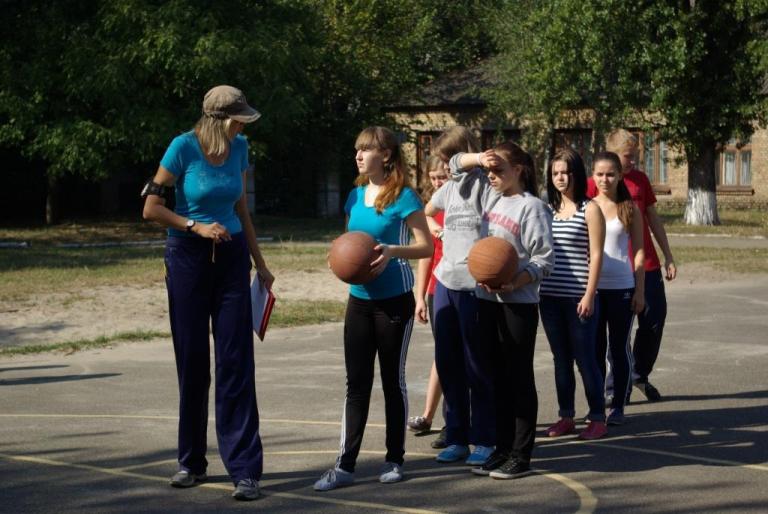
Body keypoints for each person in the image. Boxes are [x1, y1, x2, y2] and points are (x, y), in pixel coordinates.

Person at [142, 85, 273, 501]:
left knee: (236, 361)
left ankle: (245, 470)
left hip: (232, 257)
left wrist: (260, 263)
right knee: (193, 361)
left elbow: (241, 208)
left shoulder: (240, 148)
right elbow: (150, 208)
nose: (243, 126)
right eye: (239, 119)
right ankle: (191, 462)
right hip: (187, 259)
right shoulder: (182, 147)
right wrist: (194, 226)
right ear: (220, 119)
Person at [314, 126, 433, 491]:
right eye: (357, 149)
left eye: (366, 149)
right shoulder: (354, 196)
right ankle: (344, 466)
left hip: (394, 300)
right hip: (359, 301)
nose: (358, 155)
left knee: (392, 381)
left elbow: (426, 247)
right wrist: (339, 258)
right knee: (356, 384)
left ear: (386, 155)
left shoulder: (405, 197)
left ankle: (394, 459)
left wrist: (393, 251)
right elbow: (349, 242)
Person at [452, 142, 554, 479]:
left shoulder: (533, 207)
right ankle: (502, 447)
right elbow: (454, 166)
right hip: (486, 301)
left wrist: (515, 281)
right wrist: (479, 159)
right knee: (495, 377)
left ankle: (521, 455)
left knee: (518, 377)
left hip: (518, 305)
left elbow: (544, 260)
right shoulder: (489, 198)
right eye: (489, 171)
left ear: (519, 170)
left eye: (498, 170)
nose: (491, 176)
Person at [424, 126, 499, 467]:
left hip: (475, 287)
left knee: (477, 366)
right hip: (445, 282)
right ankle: (456, 436)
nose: (445, 166)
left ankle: (484, 439)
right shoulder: (450, 186)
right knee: (448, 363)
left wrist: (480, 159)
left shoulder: (486, 184)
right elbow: (427, 211)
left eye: (447, 157)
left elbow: (461, 163)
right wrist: (436, 230)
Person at [588, 130, 676, 403]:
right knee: (619, 334)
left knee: (654, 320)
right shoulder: (594, 184)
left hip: (646, 265)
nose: (634, 161)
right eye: (629, 156)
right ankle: (617, 388)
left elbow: (653, 218)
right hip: (615, 269)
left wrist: (668, 255)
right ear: (613, 155)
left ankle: (638, 373)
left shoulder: (640, 180)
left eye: (635, 155)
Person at [539, 149, 608, 440]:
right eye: (555, 173)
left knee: (585, 359)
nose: (560, 178)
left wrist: (589, 294)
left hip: (579, 298)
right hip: (549, 297)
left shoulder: (589, 209)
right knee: (561, 360)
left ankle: (598, 418)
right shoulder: (547, 210)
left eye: (565, 172)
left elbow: (597, 255)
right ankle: (566, 416)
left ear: (577, 174)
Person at [590, 152, 645, 426]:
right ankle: (597, 404)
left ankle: (618, 405)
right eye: (599, 174)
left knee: (618, 349)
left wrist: (640, 291)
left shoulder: (630, 208)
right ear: (593, 176)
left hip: (622, 287)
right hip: (593, 290)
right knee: (595, 349)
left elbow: (639, 252)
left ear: (620, 176)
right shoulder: (587, 207)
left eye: (610, 174)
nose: (605, 179)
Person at [409, 155, 448, 442]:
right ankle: (428, 414)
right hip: (436, 290)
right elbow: (426, 256)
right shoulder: (429, 211)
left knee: (458, 355)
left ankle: (456, 419)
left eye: (442, 177)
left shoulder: (460, 206)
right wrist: (420, 296)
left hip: (462, 288)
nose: (437, 183)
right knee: (443, 353)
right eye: (433, 178)